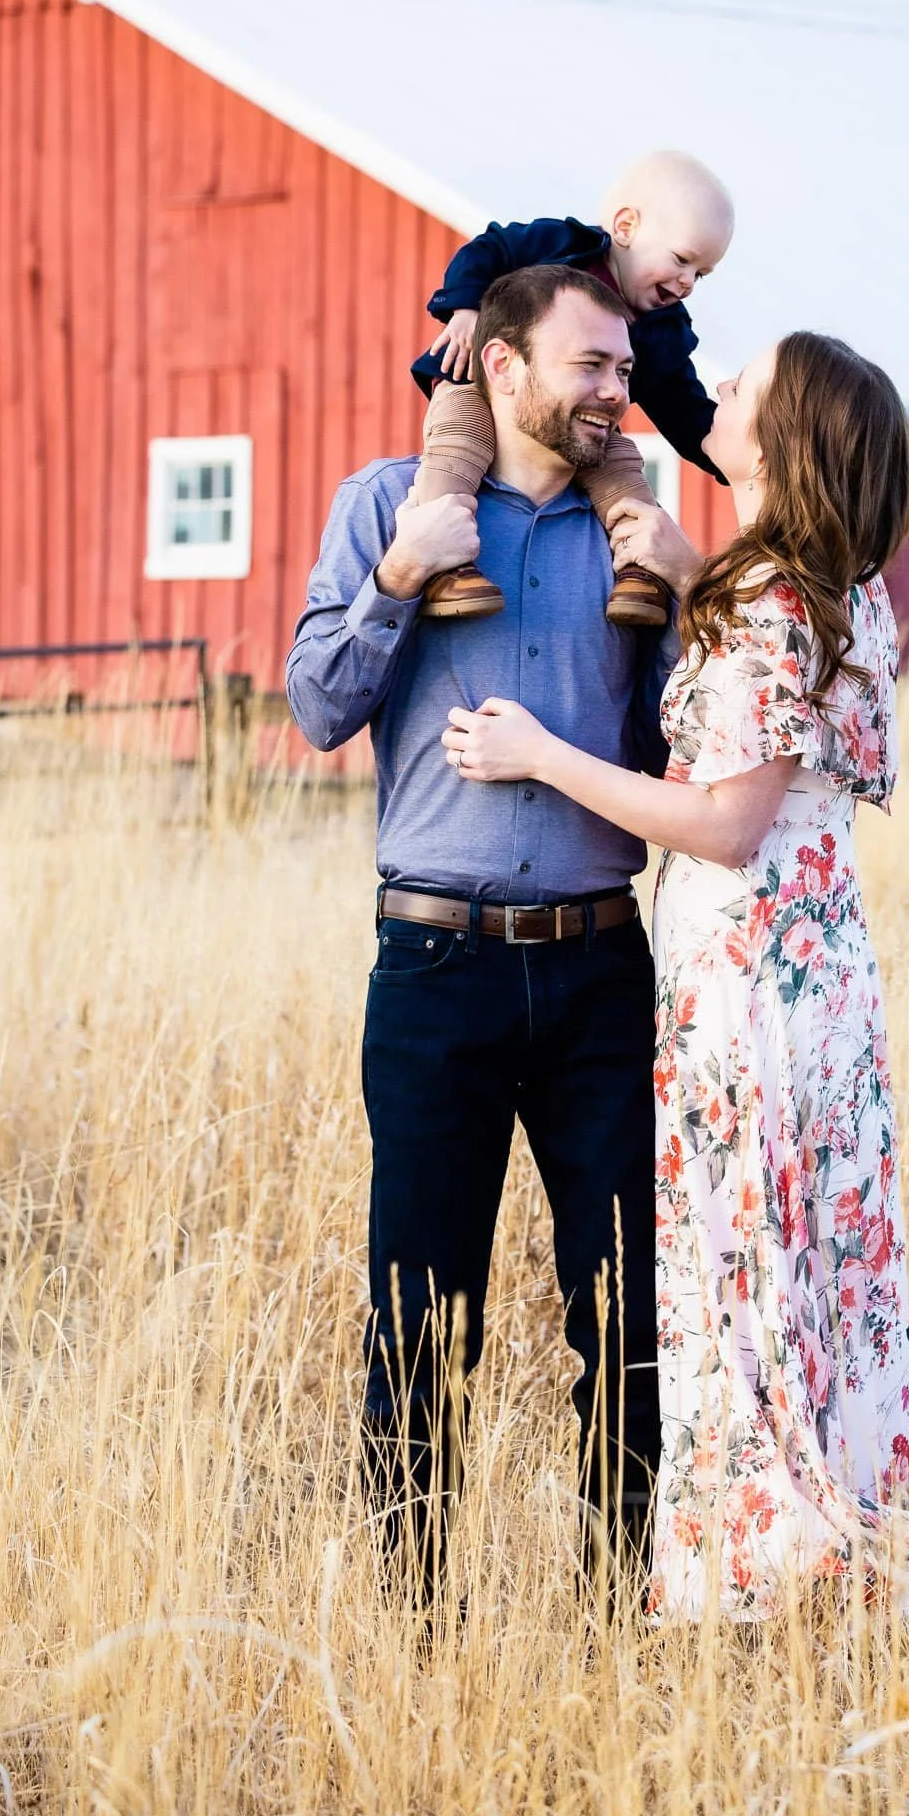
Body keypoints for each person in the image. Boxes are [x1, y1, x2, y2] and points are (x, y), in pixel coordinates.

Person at [443, 331, 909, 1623]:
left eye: (741, 391)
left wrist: (539, 753)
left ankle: (772, 1575)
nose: (711, 395)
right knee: (822, 1271)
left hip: (753, 983)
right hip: (815, 970)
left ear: (779, 445)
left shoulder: (778, 601)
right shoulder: (829, 586)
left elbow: (722, 819)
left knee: (748, 1269)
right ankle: (837, 1557)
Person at [285, 263, 704, 1610]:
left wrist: (694, 604)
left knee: (629, 1314)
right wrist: (402, 574)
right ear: (502, 369)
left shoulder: (636, 531)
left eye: (621, 366)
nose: (614, 388)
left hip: (600, 967)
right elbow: (313, 705)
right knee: (418, 1317)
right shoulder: (381, 506)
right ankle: (418, 1632)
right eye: (588, 364)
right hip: (435, 966)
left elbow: (692, 747)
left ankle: (614, 1617)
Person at [410, 149, 733, 628]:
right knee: (458, 442)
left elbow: (686, 411)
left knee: (623, 468)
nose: (687, 282)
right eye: (682, 260)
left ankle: (641, 573)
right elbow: (489, 249)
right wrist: (466, 308)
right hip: (474, 385)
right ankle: (443, 565)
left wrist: (739, 456)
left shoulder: (662, 330)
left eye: (701, 274)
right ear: (625, 228)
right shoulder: (559, 245)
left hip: (581, 428)